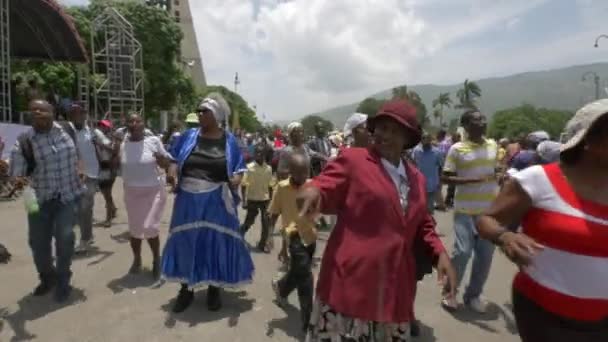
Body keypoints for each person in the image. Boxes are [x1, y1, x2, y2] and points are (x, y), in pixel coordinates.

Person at [298, 99, 456, 341]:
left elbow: (422, 222)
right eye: (381, 128)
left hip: (394, 292)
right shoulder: (355, 160)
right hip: (350, 285)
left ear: (407, 138)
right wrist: (314, 190)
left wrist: (439, 252)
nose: (384, 135)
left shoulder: (416, 178)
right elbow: (326, 184)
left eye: (394, 131)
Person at [476, 99, 608, 341]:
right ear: (589, 140)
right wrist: (504, 236)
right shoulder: (538, 180)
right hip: (545, 317)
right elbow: (486, 219)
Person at [161, 93, 254, 313]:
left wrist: (236, 179)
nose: (200, 114)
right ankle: (186, 289)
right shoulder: (188, 136)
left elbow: (239, 168)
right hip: (188, 199)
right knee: (187, 242)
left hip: (216, 199)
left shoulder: (229, 140)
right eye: (200, 110)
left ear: (217, 116)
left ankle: (214, 288)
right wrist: (172, 174)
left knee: (215, 242)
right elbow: (174, 160)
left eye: (205, 111)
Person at [9, 100, 83, 302]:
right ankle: (47, 277)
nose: (37, 113)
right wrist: (18, 178)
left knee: (65, 238)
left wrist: (81, 169)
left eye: (42, 110)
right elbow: (17, 169)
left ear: (53, 112)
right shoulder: (24, 140)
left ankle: (63, 279)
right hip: (37, 200)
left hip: (66, 196)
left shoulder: (67, 129)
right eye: (33, 111)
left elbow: (77, 153)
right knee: (38, 244)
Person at [440, 110, 499, 312]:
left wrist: (501, 175)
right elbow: (446, 178)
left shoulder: (493, 145)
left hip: (489, 212)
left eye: (483, 118)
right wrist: (469, 180)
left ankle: (473, 295)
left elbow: (495, 170)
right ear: (466, 125)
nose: (482, 122)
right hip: (465, 210)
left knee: (485, 257)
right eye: (477, 120)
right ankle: (449, 293)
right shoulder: (457, 149)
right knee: (462, 252)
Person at [269, 153, 316, 335]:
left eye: (306, 172)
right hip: (293, 236)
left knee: (298, 272)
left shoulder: (312, 186)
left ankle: (281, 287)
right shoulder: (281, 188)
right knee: (306, 278)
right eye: (299, 172)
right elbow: (273, 213)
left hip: (310, 236)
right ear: (290, 171)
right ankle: (308, 322)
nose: (303, 176)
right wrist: (270, 236)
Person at [119, 114, 171, 279]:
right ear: (126, 124)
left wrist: (161, 159)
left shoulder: (153, 141)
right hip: (131, 192)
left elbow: (167, 163)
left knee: (149, 227)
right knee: (135, 231)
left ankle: (156, 259)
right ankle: (137, 259)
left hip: (153, 190)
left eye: (137, 121)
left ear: (143, 124)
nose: (134, 124)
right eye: (130, 121)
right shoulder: (122, 145)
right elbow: (117, 166)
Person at [67, 103, 112, 254]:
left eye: (81, 113)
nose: (79, 115)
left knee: (84, 208)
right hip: (69, 176)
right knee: (74, 209)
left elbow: (109, 145)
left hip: (91, 175)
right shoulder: (66, 131)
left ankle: (85, 239)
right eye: (75, 113)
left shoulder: (93, 132)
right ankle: (86, 235)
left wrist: (103, 143)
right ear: (71, 115)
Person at [240, 144, 273, 251]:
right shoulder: (249, 168)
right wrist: (244, 200)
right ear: (254, 154)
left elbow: (270, 186)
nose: (259, 155)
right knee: (249, 221)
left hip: (265, 199)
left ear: (264, 155)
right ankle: (239, 234)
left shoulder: (268, 168)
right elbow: (244, 185)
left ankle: (263, 244)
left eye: (261, 153)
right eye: (257, 153)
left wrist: (271, 201)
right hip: (252, 198)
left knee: (266, 222)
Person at [413, 132, 444, 214]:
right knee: (418, 209)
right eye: (423, 138)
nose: (424, 140)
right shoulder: (416, 150)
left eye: (426, 138)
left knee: (429, 210)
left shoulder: (437, 152)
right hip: (418, 184)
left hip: (431, 185)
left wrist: (440, 182)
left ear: (430, 140)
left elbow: (441, 167)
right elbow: (412, 164)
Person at [97, 120, 118, 228]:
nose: (101, 127)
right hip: (100, 167)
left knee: (107, 194)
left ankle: (108, 218)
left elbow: (114, 150)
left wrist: (100, 144)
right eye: (100, 125)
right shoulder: (98, 137)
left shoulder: (113, 138)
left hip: (109, 168)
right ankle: (113, 209)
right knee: (105, 194)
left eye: (104, 126)